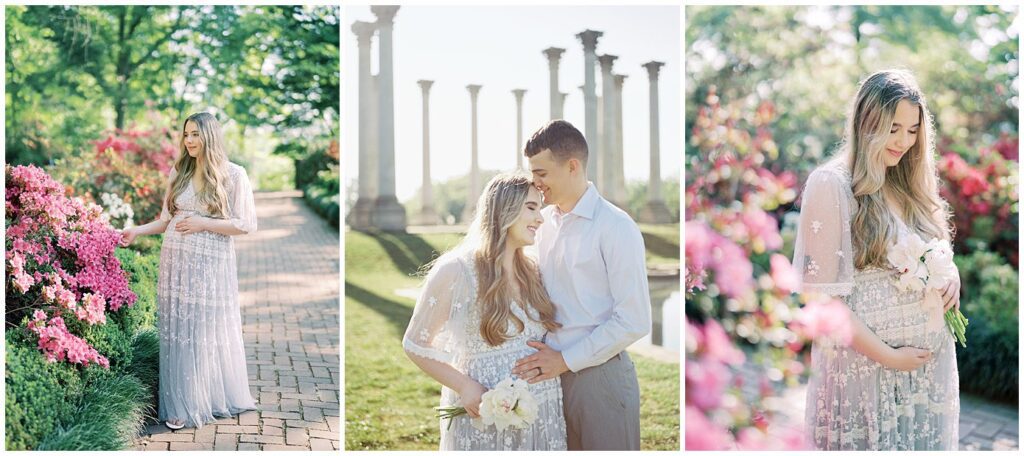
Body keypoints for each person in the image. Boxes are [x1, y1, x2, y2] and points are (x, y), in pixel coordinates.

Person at [793, 69, 960, 450]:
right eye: (893, 127)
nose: (904, 141)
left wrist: (952, 278)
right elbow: (821, 299)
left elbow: (940, 253)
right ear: (866, 121)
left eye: (913, 130)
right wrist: (889, 356)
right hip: (865, 372)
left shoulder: (907, 184)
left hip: (926, 374)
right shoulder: (831, 184)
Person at [512, 120, 652, 450]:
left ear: (572, 166)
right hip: (547, 381)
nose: (535, 182)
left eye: (542, 173)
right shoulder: (542, 228)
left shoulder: (615, 226)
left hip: (600, 381)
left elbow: (634, 320)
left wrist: (565, 360)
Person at [402, 173, 568, 450]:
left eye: (540, 208)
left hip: (543, 416)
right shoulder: (456, 270)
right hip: (483, 419)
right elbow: (414, 344)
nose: (540, 219)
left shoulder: (535, 270)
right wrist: (465, 387)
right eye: (531, 207)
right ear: (503, 208)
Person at [120, 112, 258, 429]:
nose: (190, 140)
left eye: (195, 134)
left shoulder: (234, 175)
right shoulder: (179, 172)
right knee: (177, 333)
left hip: (212, 264)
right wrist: (137, 231)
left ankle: (202, 398)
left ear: (210, 136)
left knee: (203, 330)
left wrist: (203, 223)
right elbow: (166, 219)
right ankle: (180, 403)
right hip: (176, 263)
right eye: (186, 134)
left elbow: (245, 224)